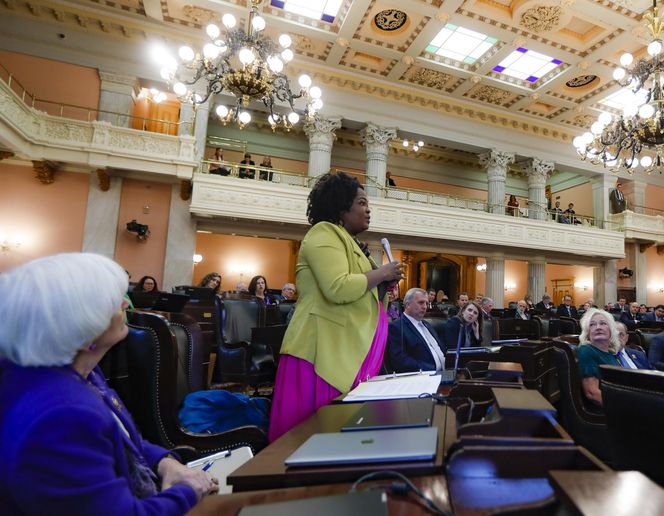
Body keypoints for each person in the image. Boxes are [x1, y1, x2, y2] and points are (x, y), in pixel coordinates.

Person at [0, 253, 217, 513]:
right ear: (84, 322)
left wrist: (165, 463)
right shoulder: (63, 417)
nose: (126, 304)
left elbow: (125, 440)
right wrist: (190, 491)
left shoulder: (81, 371)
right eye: (115, 300)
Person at [268, 172, 404, 441]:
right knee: (309, 437)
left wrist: (382, 285)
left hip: (344, 348)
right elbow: (337, 287)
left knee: (336, 436)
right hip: (321, 351)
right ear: (342, 207)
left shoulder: (350, 242)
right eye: (362, 203)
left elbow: (363, 291)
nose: (368, 210)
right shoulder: (323, 232)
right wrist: (383, 274)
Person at [384, 288, 446, 373]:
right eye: (421, 302)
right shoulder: (397, 327)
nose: (425, 307)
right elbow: (400, 361)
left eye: (426, 303)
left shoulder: (427, 325)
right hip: (424, 377)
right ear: (407, 304)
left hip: (445, 373)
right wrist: (431, 369)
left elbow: (441, 349)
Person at [577, 309, 622, 407]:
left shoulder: (611, 354)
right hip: (608, 411)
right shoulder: (586, 351)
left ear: (611, 330)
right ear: (587, 333)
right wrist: (626, 408)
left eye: (603, 323)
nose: (598, 327)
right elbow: (592, 393)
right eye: (592, 325)